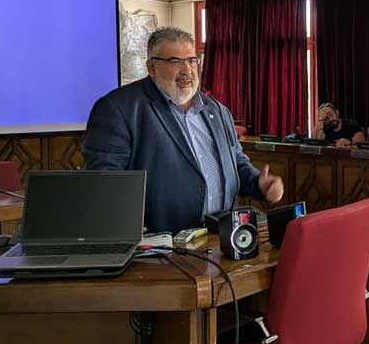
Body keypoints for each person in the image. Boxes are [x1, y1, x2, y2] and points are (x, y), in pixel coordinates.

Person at [82, 26, 284, 234]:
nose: (187, 70)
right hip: (161, 246)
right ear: (152, 67)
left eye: (191, 60)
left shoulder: (217, 110)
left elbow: (236, 161)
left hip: (219, 238)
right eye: (175, 61)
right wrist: (122, 223)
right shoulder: (118, 108)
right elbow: (105, 180)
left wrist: (259, 183)